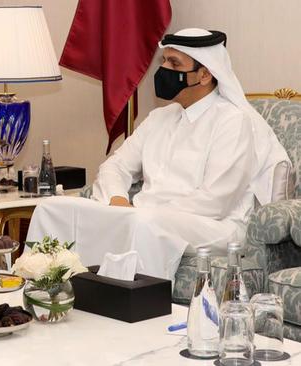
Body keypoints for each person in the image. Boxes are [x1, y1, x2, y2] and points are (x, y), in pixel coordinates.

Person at [27, 28, 290, 282]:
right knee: (51, 208)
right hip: (144, 216)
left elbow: (215, 200)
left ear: (205, 75)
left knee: (144, 222)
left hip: (215, 227)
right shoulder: (160, 118)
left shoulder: (233, 122)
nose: (163, 70)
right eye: (164, 61)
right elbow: (115, 167)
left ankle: (135, 312)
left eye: (174, 64)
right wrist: (117, 199)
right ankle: (47, 296)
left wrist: (142, 212)